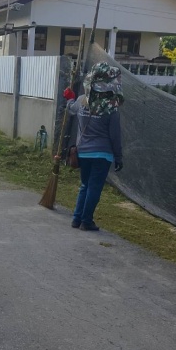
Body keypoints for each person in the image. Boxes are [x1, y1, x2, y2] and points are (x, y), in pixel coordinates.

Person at [64, 62, 124, 231]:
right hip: (102, 154)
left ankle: (76, 219)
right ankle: (86, 221)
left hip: (83, 152)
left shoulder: (82, 100)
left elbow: (71, 109)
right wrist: (119, 157)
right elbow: (115, 136)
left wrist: (69, 97)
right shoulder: (111, 108)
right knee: (94, 188)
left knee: (85, 185)